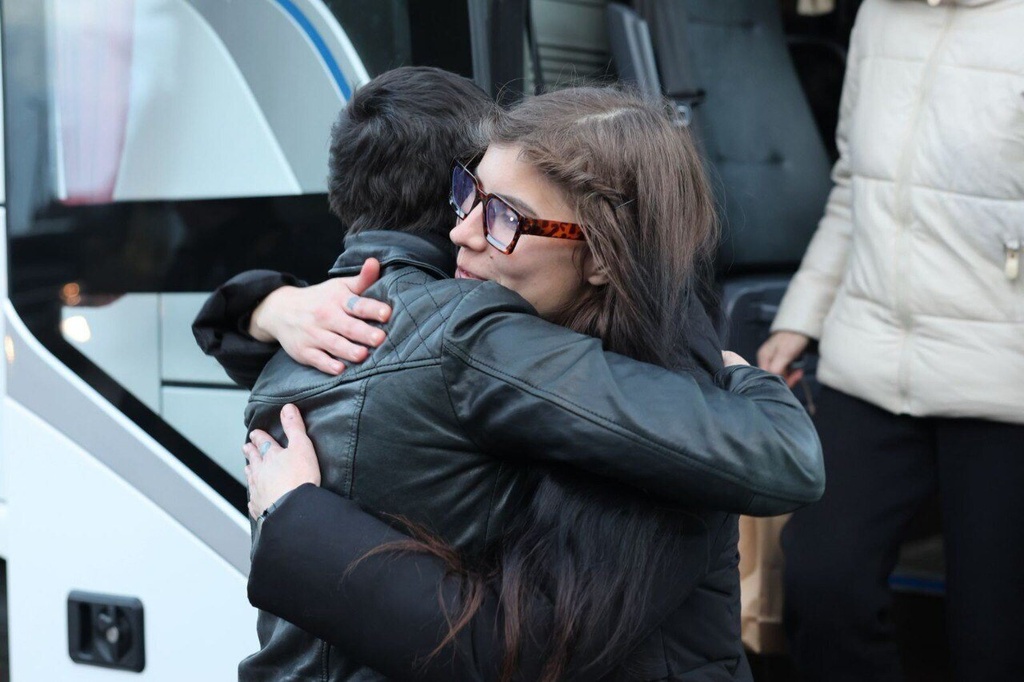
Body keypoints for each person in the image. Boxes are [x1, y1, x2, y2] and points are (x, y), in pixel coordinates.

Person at [196, 77, 824, 680]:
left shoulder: (659, 409)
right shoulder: (534, 332)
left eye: (504, 218)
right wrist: (269, 307)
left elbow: (515, 654)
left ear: (603, 256)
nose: (459, 230)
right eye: (467, 194)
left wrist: (296, 518)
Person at [755, 1, 1024, 680]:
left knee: (991, 642)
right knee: (821, 583)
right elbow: (856, 187)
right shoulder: (878, 14)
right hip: (871, 351)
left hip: (1003, 377)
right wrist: (800, 316)